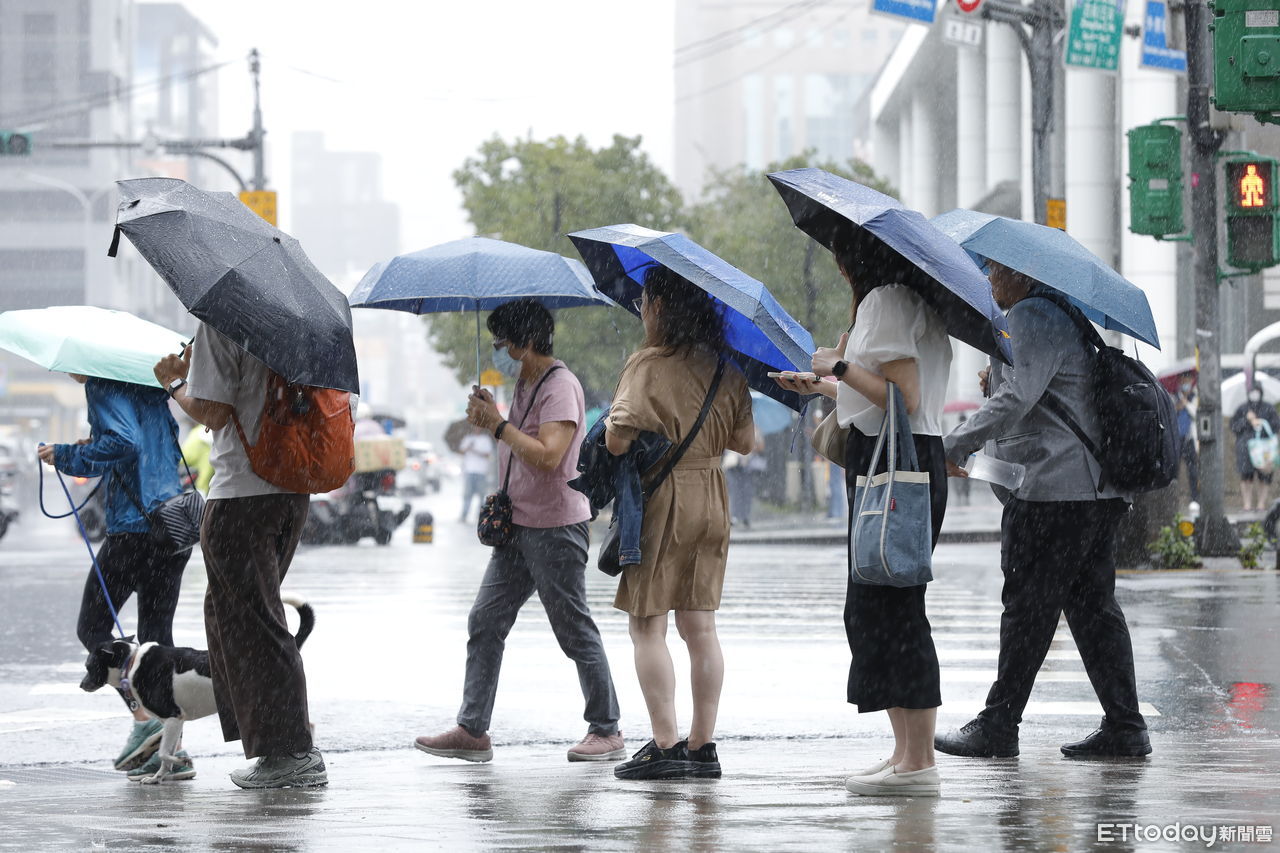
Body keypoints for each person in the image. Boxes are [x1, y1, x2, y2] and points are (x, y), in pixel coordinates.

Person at [935, 262, 1151, 760]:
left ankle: (999, 724)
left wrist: (955, 444)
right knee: (1093, 608)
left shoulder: (1032, 313)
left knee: (1027, 609)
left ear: (1020, 273)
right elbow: (1041, 392)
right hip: (1092, 491)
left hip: (1053, 492)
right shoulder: (1064, 314)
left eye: (995, 273)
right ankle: (1125, 725)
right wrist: (1002, 377)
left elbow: (1019, 399)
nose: (989, 282)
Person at [775, 238, 952, 798]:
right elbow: (880, 395)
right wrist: (827, 384)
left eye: (841, 256)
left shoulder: (889, 300)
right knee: (877, 607)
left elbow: (905, 395)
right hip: (894, 464)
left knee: (896, 608)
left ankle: (919, 761)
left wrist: (840, 364)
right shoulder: (899, 300)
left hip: (900, 466)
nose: (839, 266)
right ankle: (904, 753)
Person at [415, 299, 624, 763]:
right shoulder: (525, 383)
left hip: (554, 527)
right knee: (485, 621)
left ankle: (606, 728)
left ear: (528, 342)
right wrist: (494, 416)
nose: (499, 352)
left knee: (573, 628)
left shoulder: (561, 386)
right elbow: (515, 439)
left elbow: (550, 455)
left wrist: (499, 425)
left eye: (504, 343)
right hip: (518, 526)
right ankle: (472, 730)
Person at [153, 328, 327, 789]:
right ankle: (276, 747)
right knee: (244, 620)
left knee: (253, 625)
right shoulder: (293, 327)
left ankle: (291, 752)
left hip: (243, 495)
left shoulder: (222, 323)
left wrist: (176, 382)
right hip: (291, 490)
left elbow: (214, 411)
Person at [605, 269, 754, 781]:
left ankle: (665, 745)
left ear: (660, 308)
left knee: (648, 625)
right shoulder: (726, 368)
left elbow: (617, 441)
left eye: (646, 302)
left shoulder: (647, 365)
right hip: (713, 496)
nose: (642, 310)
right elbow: (745, 442)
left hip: (662, 496)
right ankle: (701, 746)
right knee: (701, 626)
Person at [38, 374, 194, 780]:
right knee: (157, 640)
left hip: (133, 531)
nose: (67, 373)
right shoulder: (152, 389)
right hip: (170, 528)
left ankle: (146, 718)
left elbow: (125, 443)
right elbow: (156, 447)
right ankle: (172, 753)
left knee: (93, 629)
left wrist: (68, 454)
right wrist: (97, 444)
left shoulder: (104, 386)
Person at [1231, 388, 1280, 511]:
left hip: (1265, 449)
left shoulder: (1268, 408)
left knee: (1265, 476)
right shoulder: (1242, 408)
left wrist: (1260, 425)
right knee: (1246, 476)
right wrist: (1247, 421)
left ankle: (1261, 503)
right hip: (1245, 448)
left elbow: (1275, 425)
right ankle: (1247, 504)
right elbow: (1234, 426)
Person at [725, 427, 765, 527]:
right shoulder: (730, 428)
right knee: (734, 491)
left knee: (747, 492)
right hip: (733, 464)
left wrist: (752, 446)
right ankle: (734, 516)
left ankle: (745, 516)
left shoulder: (755, 430)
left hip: (747, 465)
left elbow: (761, 447)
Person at [458, 424, 494, 523]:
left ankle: (480, 516)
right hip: (469, 470)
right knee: (467, 495)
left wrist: (475, 450)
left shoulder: (485, 439)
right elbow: (461, 451)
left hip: (481, 471)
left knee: (481, 495)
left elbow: (487, 454)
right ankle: (464, 515)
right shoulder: (467, 439)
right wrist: (468, 447)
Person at [1175, 382, 1199, 513]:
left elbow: (1196, 414)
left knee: (1193, 471)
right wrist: (1177, 407)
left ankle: (1195, 498)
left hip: (1189, 440)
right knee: (1174, 471)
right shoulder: (1174, 397)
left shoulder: (1194, 398)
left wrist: (1187, 404)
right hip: (1177, 439)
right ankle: (1173, 498)